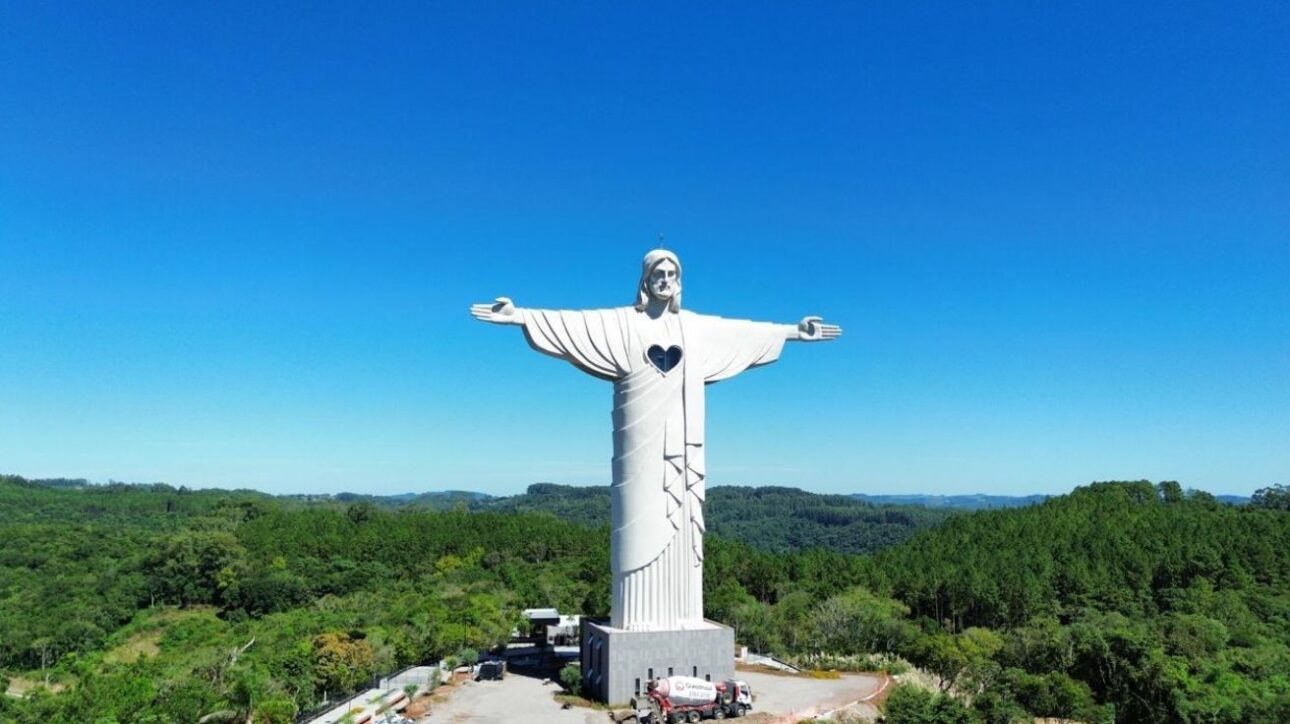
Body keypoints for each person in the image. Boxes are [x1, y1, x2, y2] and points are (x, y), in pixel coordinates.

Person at [471, 249, 840, 631]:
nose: (665, 279)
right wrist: (519, 317)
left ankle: (684, 615)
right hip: (638, 447)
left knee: (683, 524)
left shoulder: (696, 328)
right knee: (637, 522)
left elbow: (742, 332)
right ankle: (634, 615)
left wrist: (794, 332)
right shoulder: (621, 324)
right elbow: (574, 323)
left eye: (672, 273)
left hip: (685, 448)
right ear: (645, 280)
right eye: (658, 273)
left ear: (679, 280)